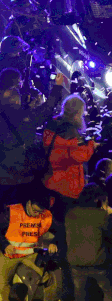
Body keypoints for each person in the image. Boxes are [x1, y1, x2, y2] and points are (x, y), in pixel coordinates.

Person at [0, 72, 65, 208]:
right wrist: (57, 87)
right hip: (20, 177)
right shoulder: (25, 118)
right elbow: (47, 109)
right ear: (17, 101)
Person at [65, 183, 112, 301]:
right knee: (108, 292)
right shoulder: (102, 215)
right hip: (98, 263)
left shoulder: (71, 214)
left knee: (80, 295)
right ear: (97, 199)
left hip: (75, 262)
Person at [42, 93, 97, 221]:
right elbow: (79, 156)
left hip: (50, 180)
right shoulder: (71, 133)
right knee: (64, 224)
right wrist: (91, 145)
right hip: (67, 186)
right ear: (77, 113)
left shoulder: (52, 124)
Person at [0, 192, 61, 301]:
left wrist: (54, 242)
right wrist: (5, 245)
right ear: (29, 203)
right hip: (10, 254)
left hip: (30, 254)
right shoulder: (11, 212)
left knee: (46, 278)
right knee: (2, 283)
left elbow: (60, 230)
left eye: (40, 212)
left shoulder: (46, 215)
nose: (37, 214)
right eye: (35, 210)